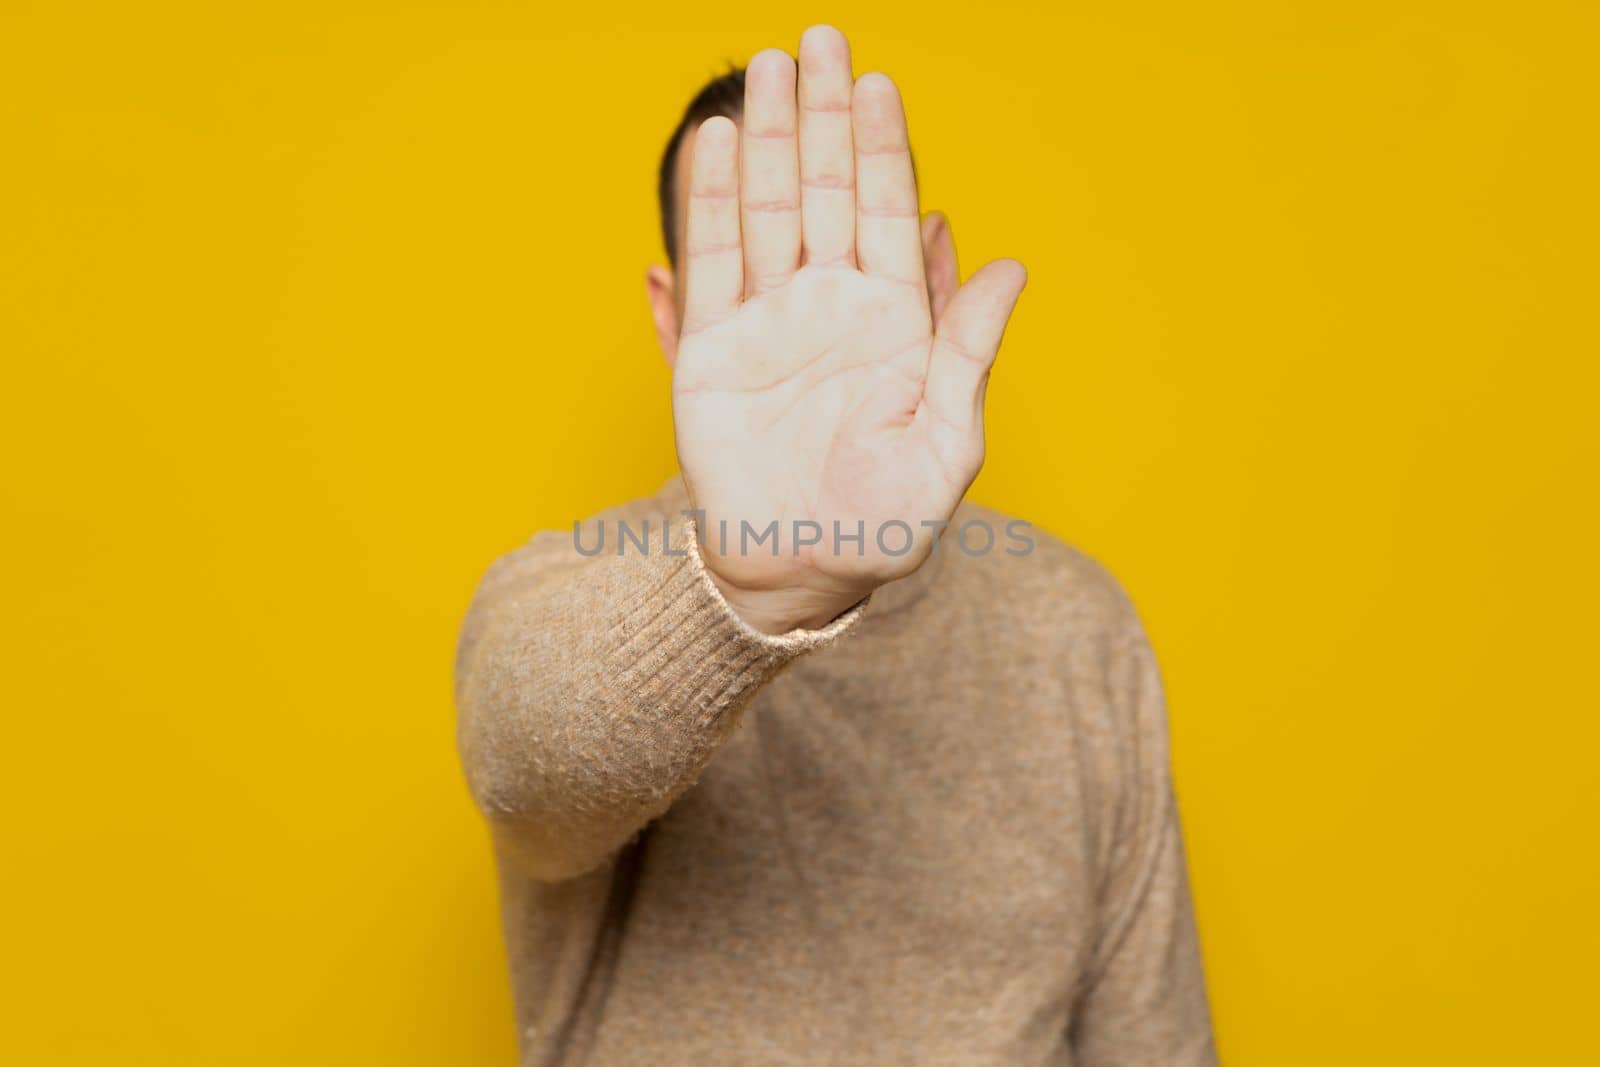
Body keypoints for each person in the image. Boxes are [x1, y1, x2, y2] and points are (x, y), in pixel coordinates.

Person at [455, 25, 1216, 1065]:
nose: (815, 327)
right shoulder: (563, 587)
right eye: (765, 283)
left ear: (935, 272)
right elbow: (525, 767)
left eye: (851, 260)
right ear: (671, 318)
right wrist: (751, 591)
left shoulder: (1075, 624)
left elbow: (1155, 1042)